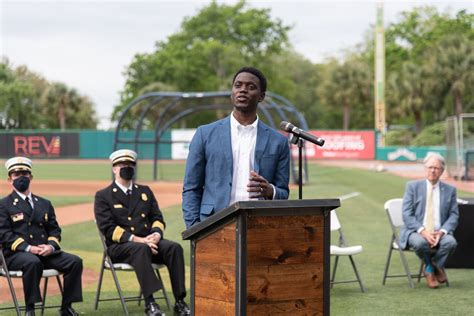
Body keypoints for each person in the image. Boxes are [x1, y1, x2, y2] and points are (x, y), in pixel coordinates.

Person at [182, 66, 290, 229]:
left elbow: (283, 192)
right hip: (214, 224)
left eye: (251, 87)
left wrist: (271, 191)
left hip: (261, 226)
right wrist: (194, 227)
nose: (243, 90)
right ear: (232, 92)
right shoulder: (204, 134)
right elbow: (191, 187)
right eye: (238, 85)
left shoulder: (279, 142)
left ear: (261, 96)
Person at [94, 149, 190, 316]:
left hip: (149, 242)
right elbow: (108, 229)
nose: (127, 167)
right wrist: (140, 240)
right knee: (141, 249)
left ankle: (180, 302)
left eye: (131, 164)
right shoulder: (103, 196)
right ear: (114, 169)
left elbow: (157, 218)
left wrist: (156, 235)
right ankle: (150, 303)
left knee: (174, 248)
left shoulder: (145, 191)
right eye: (123, 165)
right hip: (120, 247)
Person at [0, 157, 83, 316]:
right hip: (16, 255)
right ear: (10, 179)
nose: (21, 177)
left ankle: (66, 307)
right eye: (17, 174)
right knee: (32, 262)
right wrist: (29, 248)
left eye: (24, 173)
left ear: (31, 177)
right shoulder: (3, 205)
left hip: (45, 253)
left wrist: (50, 246)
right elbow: (4, 234)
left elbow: (54, 230)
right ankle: (30, 309)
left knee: (75, 261)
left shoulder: (44, 203)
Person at [400, 152, 459, 289]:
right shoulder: (412, 187)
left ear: (442, 171)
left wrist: (442, 232)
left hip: (439, 233)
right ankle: (433, 269)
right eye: (430, 167)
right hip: (416, 231)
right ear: (425, 168)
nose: (433, 170)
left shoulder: (450, 190)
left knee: (451, 243)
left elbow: (454, 215)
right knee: (420, 243)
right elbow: (407, 214)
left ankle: (431, 267)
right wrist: (423, 231)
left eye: (436, 168)